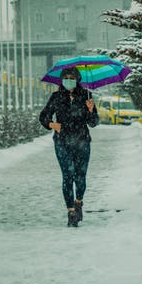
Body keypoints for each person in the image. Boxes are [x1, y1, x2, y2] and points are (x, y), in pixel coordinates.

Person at [39, 66, 99, 227]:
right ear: (61, 80)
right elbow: (43, 116)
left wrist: (91, 110)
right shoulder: (56, 97)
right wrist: (52, 124)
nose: (69, 81)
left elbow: (93, 123)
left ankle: (78, 202)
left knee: (80, 176)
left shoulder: (86, 96)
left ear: (78, 80)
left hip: (82, 141)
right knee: (68, 175)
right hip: (62, 142)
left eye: (72, 78)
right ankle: (71, 211)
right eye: (66, 78)